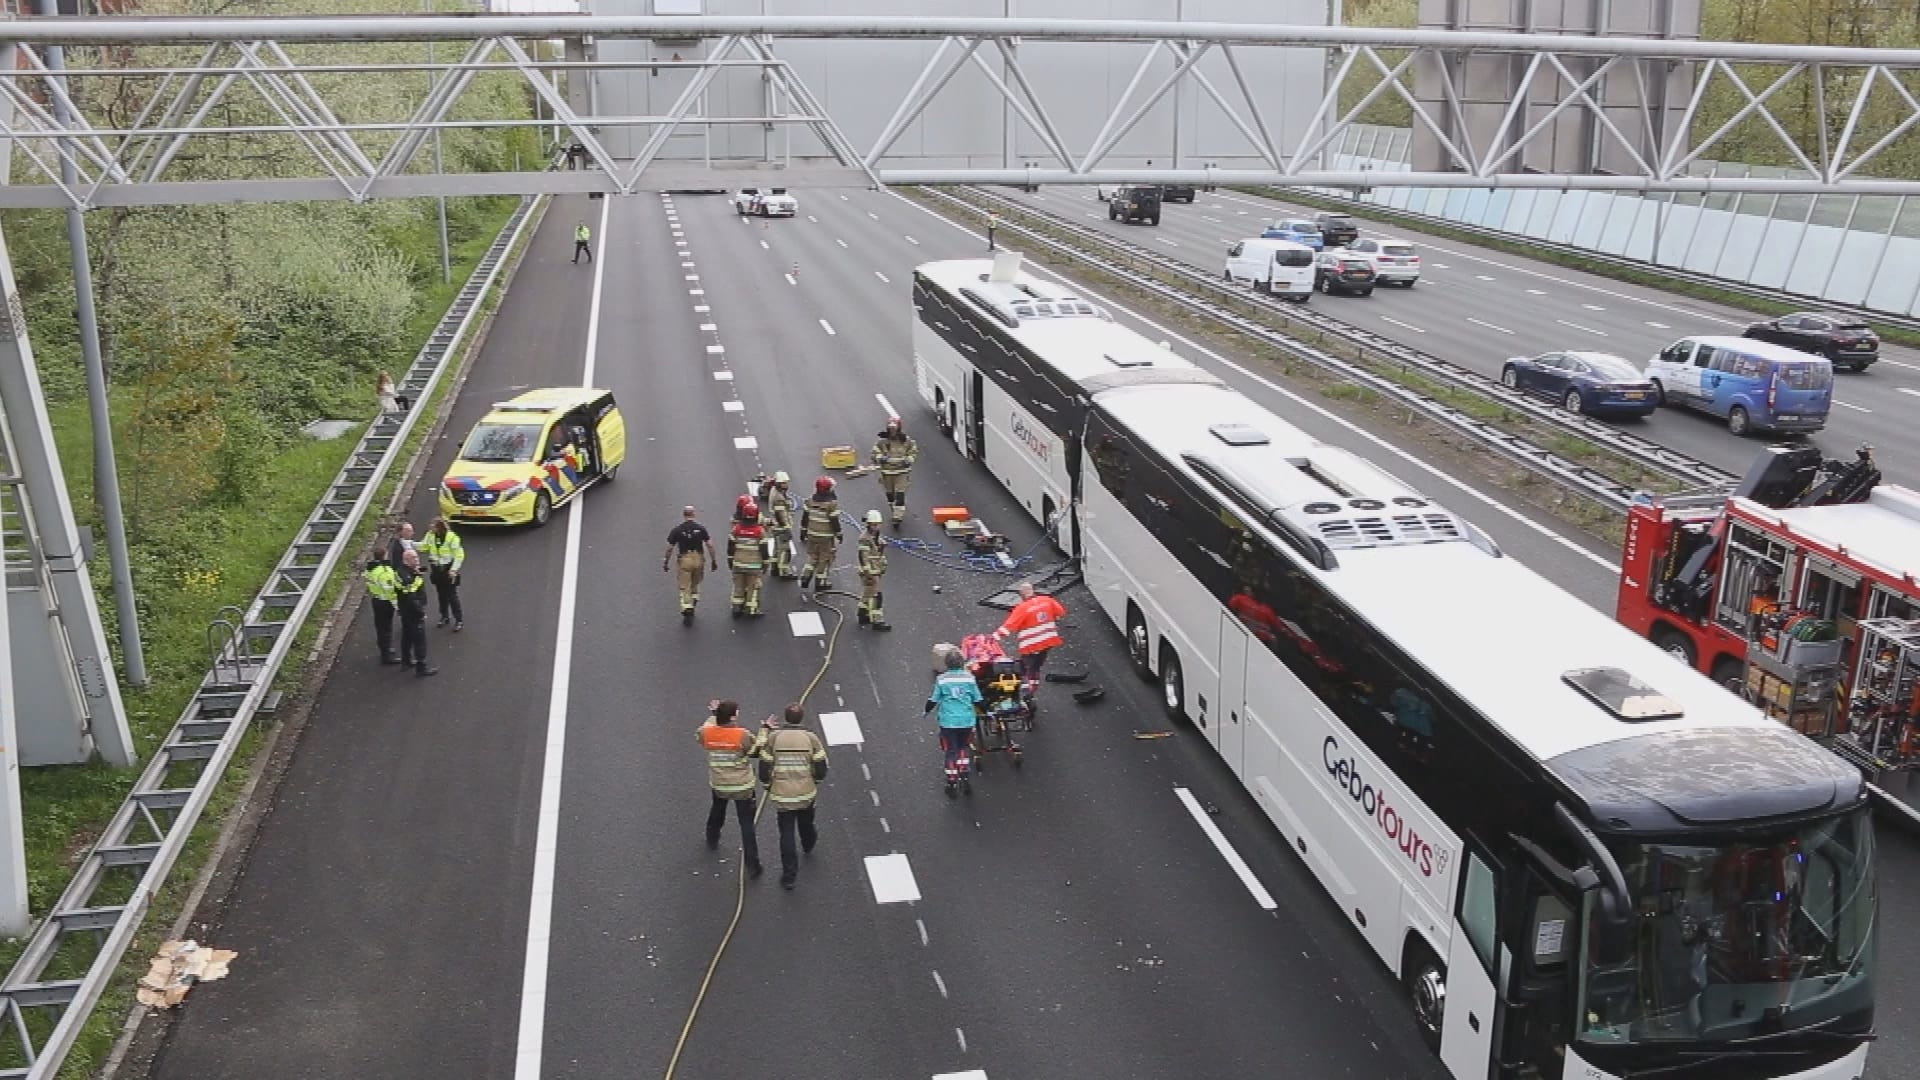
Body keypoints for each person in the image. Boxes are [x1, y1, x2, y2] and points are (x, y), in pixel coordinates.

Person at [757, 703, 828, 890]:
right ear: (801, 719)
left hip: (782, 795)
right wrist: (815, 782)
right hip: (806, 793)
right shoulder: (810, 738)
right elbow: (821, 766)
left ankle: (789, 876)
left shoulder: (774, 738)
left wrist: (768, 786)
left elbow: (764, 767)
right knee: (807, 822)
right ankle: (808, 843)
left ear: (785, 718)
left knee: (786, 834)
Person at [698, 699, 762, 879]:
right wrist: (765, 730)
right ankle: (753, 865)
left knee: (717, 809)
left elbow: (701, 735)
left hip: (719, 783)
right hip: (743, 786)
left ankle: (712, 837)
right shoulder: (741, 735)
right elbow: (755, 750)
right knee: (747, 824)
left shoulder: (706, 732)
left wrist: (714, 716)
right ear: (733, 717)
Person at [925, 647, 984, 797]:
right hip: (966, 721)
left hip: (948, 722)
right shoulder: (969, 678)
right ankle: (964, 771)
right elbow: (978, 699)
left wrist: (926, 711)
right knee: (963, 746)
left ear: (947, 663)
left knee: (951, 750)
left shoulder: (942, 680)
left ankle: (952, 780)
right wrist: (987, 711)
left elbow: (933, 700)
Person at [994, 581, 1066, 689]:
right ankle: (1034, 684)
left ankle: (1027, 689)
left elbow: (1009, 626)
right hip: (1047, 641)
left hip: (1032, 645)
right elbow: (1061, 613)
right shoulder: (1047, 600)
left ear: (1021, 595)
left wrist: (994, 637)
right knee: (1036, 666)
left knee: (1026, 667)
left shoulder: (1022, 608)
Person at [664, 506, 719, 623]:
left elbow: (670, 548)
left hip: (684, 559)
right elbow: (710, 545)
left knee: (685, 585)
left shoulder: (677, 530)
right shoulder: (701, 529)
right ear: (693, 515)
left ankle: (687, 606)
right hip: (698, 558)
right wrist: (713, 560)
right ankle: (694, 600)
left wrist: (666, 561)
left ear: (684, 515)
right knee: (695, 583)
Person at [870, 417, 919, 529]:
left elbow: (913, 451)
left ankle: (897, 517)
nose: (892, 431)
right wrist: (880, 458)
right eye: (890, 429)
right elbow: (874, 453)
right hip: (887, 473)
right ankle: (894, 508)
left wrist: (909, 459)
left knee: (900, 494)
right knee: (890, 495)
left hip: (901, 472)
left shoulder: (906, 441)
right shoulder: (882, 442)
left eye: (894, 429)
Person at [395, 548, 436, 677]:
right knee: (419, 640)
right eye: (414, 558)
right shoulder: (407, 577)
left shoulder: (401, 572)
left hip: (405, 612)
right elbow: (411, 597)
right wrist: (420, 613)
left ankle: (406, 662)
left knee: (406, 637)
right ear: (406, 560)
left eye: (417, 557)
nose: (417, 560)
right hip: (412, 612)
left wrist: (416, 573)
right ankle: (421, 667)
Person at [419, 518, 465, 631]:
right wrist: (409, 544)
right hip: (436, 570)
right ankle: (444, 616)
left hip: (448, 570)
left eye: (433, 525)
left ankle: (459, 620)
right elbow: (424, 546)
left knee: (452, 596)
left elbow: (459, 555)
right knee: (441, 595)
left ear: (439, 527)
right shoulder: (430, 536)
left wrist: (454, 570)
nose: (430, 527)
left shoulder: (451, 538)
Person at [798, 476, 841, 591]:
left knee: (812, 555)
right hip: (826, 537)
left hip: (811, 534)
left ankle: (805, 576)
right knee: (824, 558)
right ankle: (820, 582)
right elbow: (834, 521)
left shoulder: (809, 501)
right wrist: (839, 533)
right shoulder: (831, 505)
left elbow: (805, 518)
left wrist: (803, 531)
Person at [727, 500, 767, 618]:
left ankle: (736, 607)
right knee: (753, 587)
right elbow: (764, 550)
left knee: (738, 586)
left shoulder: (736, 529)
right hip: (754, 566)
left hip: (738, 564)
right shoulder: (760, 531)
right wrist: (765, 564)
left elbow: (730, 547)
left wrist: (730, 561)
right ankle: (751, 609)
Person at [363, 543, 399, 665]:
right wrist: (397, 606)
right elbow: (390, 591)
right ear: (384, 555)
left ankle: (385, 649)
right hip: (385, 602)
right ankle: (386, 655)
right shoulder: (385, 572)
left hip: (376, 600)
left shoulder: (370, 569)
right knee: (386, 628)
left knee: (380, 627)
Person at [855, 510, 891, 631]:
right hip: (870, 572)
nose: (875, 527)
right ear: (868, 524)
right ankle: (877, 621)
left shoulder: (875, 536)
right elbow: (863, 557)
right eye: (873, 525)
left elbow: (875, 552)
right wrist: (868, 572)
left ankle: (862, 614)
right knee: (876, 596)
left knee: (867, 593)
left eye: (877, 524)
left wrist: (881, 546)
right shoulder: (865, 539)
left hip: (875, 570)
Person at [758, 471, 796, 579]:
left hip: (775, 526)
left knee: (776, 549)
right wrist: (786, 527)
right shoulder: (778, 497)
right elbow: (780, 515)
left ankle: (774, 568)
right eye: (784, 483)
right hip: (780, 527)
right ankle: (784, 572)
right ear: (779, 483)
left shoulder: (775, 491)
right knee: (785, 550)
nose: (787, 485)